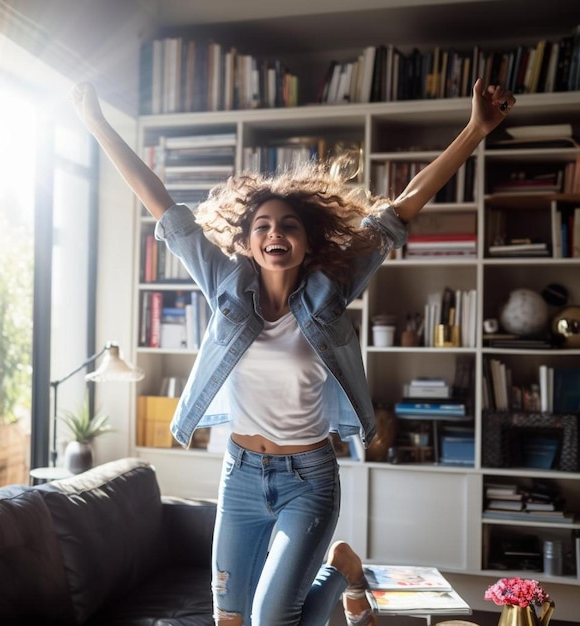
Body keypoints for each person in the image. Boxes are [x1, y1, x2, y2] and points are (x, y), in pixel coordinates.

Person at [73, 78, 515, 626]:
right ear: (246, 241)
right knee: (232, 621)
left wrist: (475, 129)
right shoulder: (225, 285)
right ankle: (348, 573)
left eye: (288, 225)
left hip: (308, 477)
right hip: (239, 474)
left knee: (270, 619)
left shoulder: (333, 288)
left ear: (308, 241)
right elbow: (161, 203)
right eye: (262, 226)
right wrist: (96, 124)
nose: (274, 233)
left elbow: (402, 209)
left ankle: (342, 574)